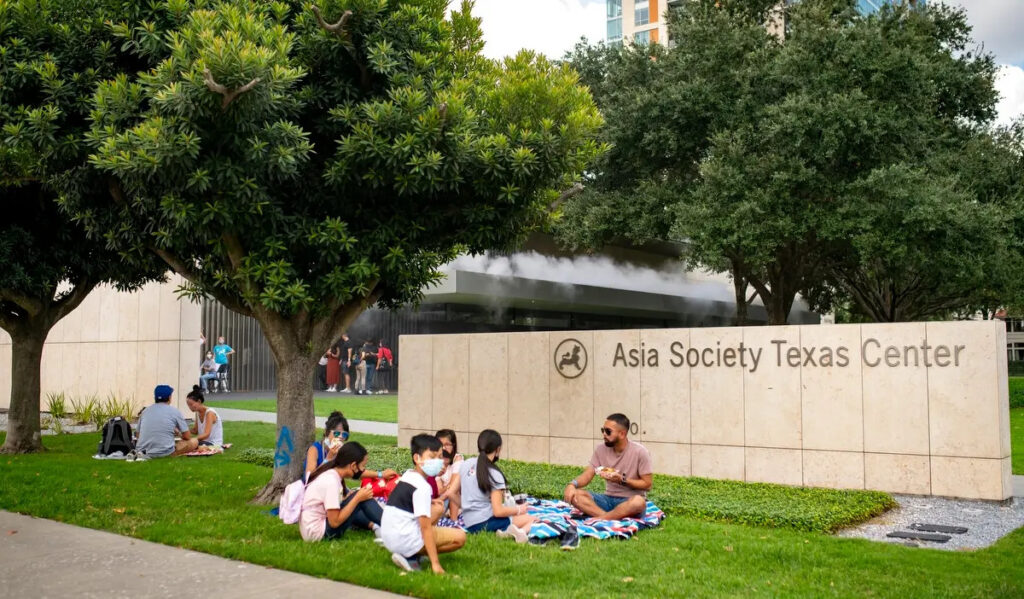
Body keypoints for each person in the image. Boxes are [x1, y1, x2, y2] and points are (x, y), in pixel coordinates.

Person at [381, 434, 466, 573]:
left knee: (438, 507)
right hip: (405, 539)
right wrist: (436, 564)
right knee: (460, 538)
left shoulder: (408, 475)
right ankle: (412, 556)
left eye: (439, 456)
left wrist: (431, 501)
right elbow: (425, 528)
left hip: (390, 537)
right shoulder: (422, 487)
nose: (438, 461)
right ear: (417, 458)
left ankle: (412, 552)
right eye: (432, 457)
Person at [448, 430, 535, 542]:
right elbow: (498, 511)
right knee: (531, 519)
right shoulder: (495, 474)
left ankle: (507, 532)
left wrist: (466, 505)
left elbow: (450, 492)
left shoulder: (466, 464)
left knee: (515, 518)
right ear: (497, 450)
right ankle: (518, 534)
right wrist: (519, 509)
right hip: (486, 522)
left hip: (469, 523)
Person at [563, 413, 652, 520]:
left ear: (622, 434)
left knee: (639, 502)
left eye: (608, 431)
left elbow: (647, 485)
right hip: (607, 500)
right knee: (575, 495)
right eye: (603, 430)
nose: (604, 434)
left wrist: (622, 480)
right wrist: (572, 485)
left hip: (629, 500)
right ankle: (608, 517)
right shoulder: (600, 449)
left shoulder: (640, 452)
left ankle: (603, 517)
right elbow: (587, 474)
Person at [300, 442, 383, 542]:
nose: (363, 470)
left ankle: (378, 527)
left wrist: (352, 499)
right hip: (320, 534)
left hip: (312, 530)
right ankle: (392, 527)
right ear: (353, 465)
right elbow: (334, 522)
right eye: (362, 466)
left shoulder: (332, 474)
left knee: (356, 498)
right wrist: (356, 499)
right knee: (359, 497)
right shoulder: (331, 481)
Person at [304, 412, 398, 484]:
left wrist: (381, 474)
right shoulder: (315, 449)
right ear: (327, 432)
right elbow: (310, 477)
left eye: (344, 434)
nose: (340, 437)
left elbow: (356, 470)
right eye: (336, 433)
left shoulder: (341, 451)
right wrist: (328, 458)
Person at [135, 385, 197, 458]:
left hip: (142, 452)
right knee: (194, 441)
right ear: (169, 397)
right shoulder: (175, 411)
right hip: (165, 452)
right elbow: (187, 436)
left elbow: (137, 435)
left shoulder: (145, 411)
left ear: (155, 397)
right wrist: (178, 433)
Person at [435, 429, 463, 520]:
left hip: (459, 499)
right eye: (440, 444)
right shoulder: (435, 462)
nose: (443, 448)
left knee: (454, 491)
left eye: (447, 444)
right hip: (444, 497)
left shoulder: (457, 459)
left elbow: (453, 487)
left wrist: (438, 500)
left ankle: (453, 521)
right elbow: (439, 490)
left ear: (453, 446)